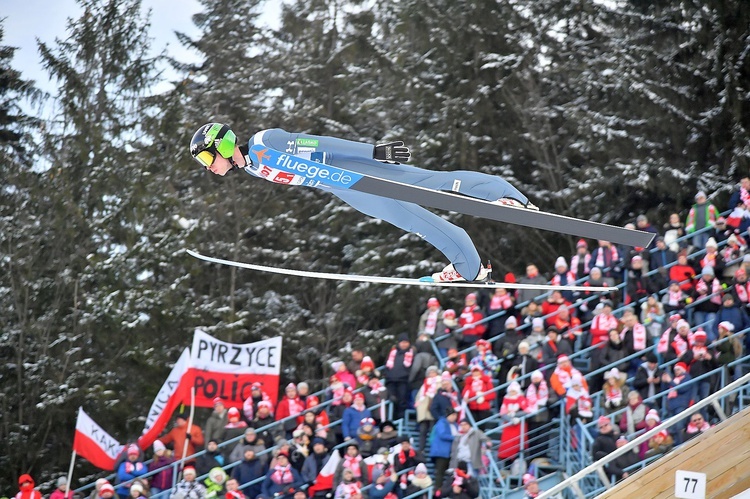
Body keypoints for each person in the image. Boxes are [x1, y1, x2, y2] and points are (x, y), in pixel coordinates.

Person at [190, 124, 535, 283]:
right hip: (346, 189)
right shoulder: (253, 168)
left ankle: (506, 196)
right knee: (413, 221)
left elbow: (321, 142)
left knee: (429, 183)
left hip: (354, 169)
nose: (209, 167)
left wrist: (373, 152)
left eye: (208, 158)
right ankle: (470, 267)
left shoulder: (265, 143)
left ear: (221, 145)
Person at [383, 333, 416, 419]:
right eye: (402, 342)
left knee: (402, 401)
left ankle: (401, 419)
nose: (404, 344)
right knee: (392, 400)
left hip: (403, 381)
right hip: (391, 380)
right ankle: (392, 419)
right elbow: (386, 365)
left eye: (406, 342)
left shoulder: (412, 353)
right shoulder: (392, 352)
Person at [498, 381, 529, 463]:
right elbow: (502, 412)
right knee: (507, 445)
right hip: (508, 425)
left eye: (514, 391)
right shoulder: (506, 399)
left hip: (519, 426)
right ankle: (507, 463)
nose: (512, 393)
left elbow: (526, 410)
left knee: (518, 444)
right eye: (511, 391)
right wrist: (510, 419)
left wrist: (516, 415)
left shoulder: (521, 398)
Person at [430, 408, 460, 491]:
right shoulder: (441, 422)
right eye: (453, 415)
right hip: (441, 452)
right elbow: (442, 434)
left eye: (455, 415)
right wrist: (455, 438)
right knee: (440, 472)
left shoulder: (455, 425)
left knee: (451, 473)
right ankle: (437, 490)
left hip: (452, 452)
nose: (454, 417)